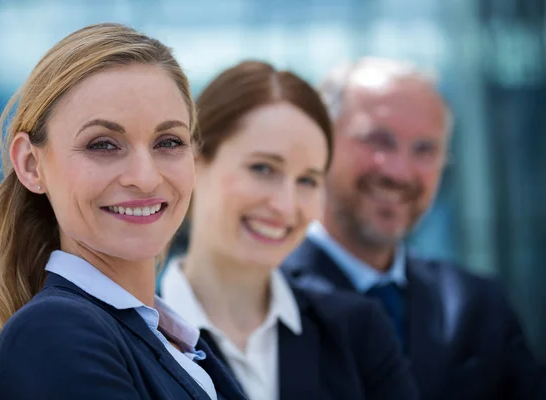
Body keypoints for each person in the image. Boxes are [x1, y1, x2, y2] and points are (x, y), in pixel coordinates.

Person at [0, 23, 246, 400]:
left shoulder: (174, 342)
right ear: (31, 165)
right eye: (103, 145)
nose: (145, 178)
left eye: (168, 141)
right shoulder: (54, 335)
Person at [281, 57, 546, 400]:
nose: (400, 172)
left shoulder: (477, 305)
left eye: (425, 149)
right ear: (319, 144)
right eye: (378, 140)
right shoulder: (260, 299)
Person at [159, 60, 418, 400]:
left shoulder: (358, 331)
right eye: (263, 168)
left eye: (308, 180)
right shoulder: (129, 335)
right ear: (195, 162)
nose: (285, 205)